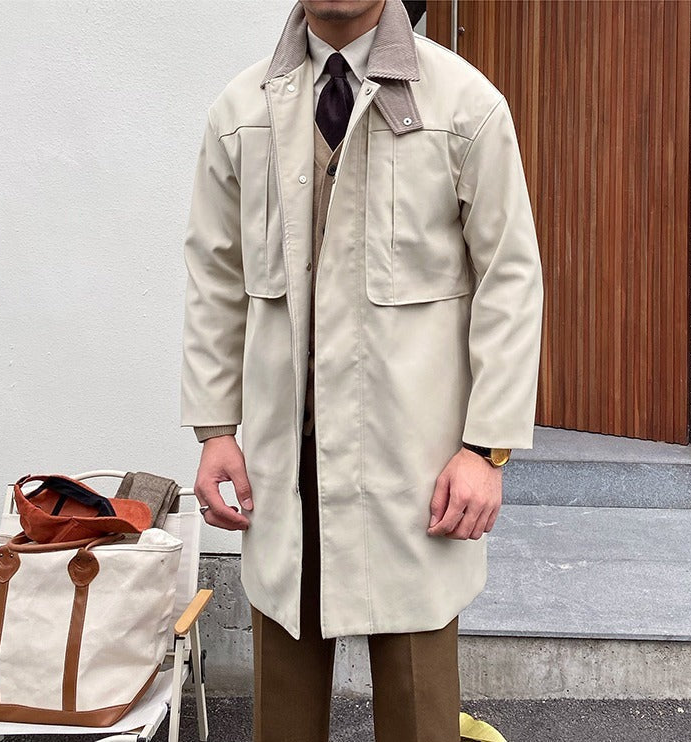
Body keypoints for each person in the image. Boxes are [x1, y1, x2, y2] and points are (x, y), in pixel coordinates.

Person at [180, 0, 543, 739]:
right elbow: (216, 278)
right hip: (285, 467)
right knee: (283, 707)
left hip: (413, 467)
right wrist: (215, 430)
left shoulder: (463, 104)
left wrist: (485, 448)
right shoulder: (242, 112)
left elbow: (509, 279)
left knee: (418, 707)